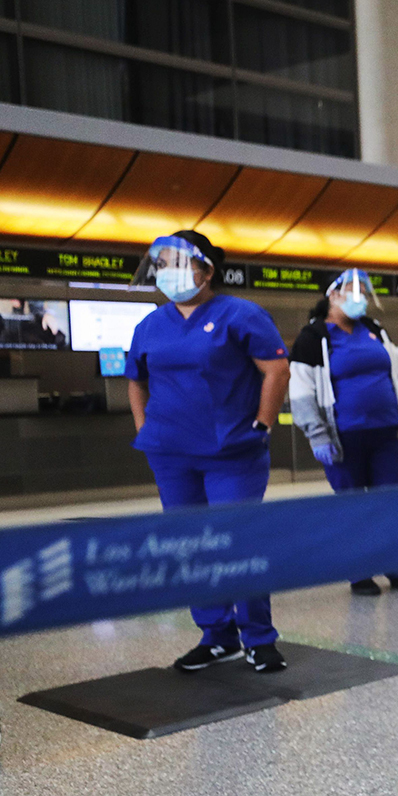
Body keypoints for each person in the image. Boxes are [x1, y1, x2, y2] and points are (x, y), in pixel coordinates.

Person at [126, 231, 290, 673]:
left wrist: (262, 422)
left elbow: (276, 369)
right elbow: (135, 379)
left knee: (238, 542)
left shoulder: (241, 314)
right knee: (190, 546)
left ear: (205, 270)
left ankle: (258, 637)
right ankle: (217, 635)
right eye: (161, 264)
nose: (168, 272)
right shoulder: (150, 325)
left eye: (177, 263)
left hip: (232, 452)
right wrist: (146, 430)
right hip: (171, 454)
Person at [288, 268, 398, 596]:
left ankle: (397, 567)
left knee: (389, 502)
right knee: (352, 506)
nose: (360, 297)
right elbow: (301, 390)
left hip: (383, 433)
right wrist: (316, 433)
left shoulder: (375, 330)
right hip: (343, 438)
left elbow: (397, 376)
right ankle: (358, 572)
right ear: (332, 295)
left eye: (363, 290)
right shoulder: (314, 338)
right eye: (352, 290)